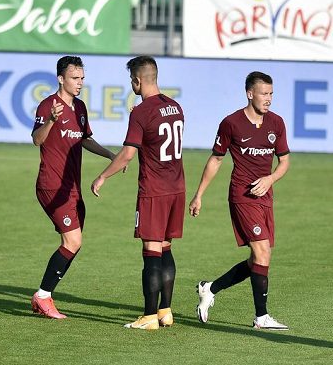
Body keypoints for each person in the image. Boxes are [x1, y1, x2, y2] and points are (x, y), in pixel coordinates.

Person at [189, 71, 290, 330]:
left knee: (259, 259)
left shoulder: (276, 123)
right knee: (261, 252)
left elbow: (284, 162)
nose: (268, 99)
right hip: (242, 197)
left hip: (265, 196)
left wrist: (270, 179)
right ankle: (261, 318)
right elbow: (216, 159)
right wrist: (199, 195)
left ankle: (210, 288)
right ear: (250, 94)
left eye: (271, 94)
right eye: (264, 94)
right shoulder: (231, 123)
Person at [91, 56, 185, 330]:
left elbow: (128, 155)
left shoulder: (141, 112)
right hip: (176, 187)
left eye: (131, 79)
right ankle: (165, 310)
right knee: (165, 247)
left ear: (138, 80)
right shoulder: (175, 107)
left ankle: (148, 316)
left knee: (151, 251)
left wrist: (102, 176)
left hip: (154, 190)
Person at [29, 56, 115, 319]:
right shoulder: (48, 106)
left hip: (72, 188)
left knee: (74, 244)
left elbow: (85, 139)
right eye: (75, 78)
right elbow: (36, 140)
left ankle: (46, 295)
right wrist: (51, 121)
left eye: (82, 78)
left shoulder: (79, 107)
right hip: (51, 185)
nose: (80, 83)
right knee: (72, 240)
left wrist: (111, 156)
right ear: (60, 79)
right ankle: (43, 296)